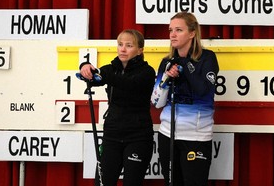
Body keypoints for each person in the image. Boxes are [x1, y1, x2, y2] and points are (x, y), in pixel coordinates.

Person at [80, 29, 156, 186]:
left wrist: (105, 75)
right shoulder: (111, 68)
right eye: (120, 44)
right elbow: (94, 77)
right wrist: (85, 67)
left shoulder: (147, 72)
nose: (123, 49)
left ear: (140, 50)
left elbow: (130, 85)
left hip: (138, 136)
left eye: (129, 45)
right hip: (112, 135)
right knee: (102, 182)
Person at [155, 12, 219, 186]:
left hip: (196, 137)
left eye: (178, 30)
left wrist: (185, 63)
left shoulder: (207, 58)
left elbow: (203, 90)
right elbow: (156, 102)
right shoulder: (166, 61)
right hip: (167, 135)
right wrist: (166, 80)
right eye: (170, 30)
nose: (172, 35)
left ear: (192, 33)